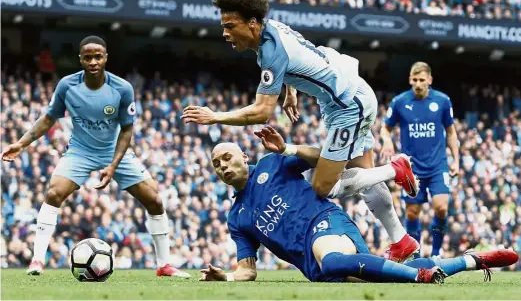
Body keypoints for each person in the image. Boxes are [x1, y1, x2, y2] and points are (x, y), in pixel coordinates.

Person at [181, 0, 419, 262]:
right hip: (346, 95)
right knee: (362, 174)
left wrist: (215, 116)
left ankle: (395, 168)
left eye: (230, 26)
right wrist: (290, 91)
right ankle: (401, 240)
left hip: (347, 104)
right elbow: (302, 53)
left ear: (253, 23)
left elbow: (260, 112)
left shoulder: (270, 51)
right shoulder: (273, 30)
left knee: (324, 187)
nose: (224, 33)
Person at [199, 127, 517, 283]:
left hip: (327, 225)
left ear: (243, 154)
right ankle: (471, 261)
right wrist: (226, 277)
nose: (223, 166)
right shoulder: (236, 218)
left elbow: (323, 159)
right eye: (216, 164)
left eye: (227, 157)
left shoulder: (273, 163)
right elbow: (247, 271)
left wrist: (287, 147)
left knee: (335, 260)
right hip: (314, 266)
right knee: (382, 277)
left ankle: (420, 277)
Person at [1, 36, 190, 278]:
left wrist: (113, 165)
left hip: (114, 151)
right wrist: (21, 143)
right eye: (87, 57)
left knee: (154, 199)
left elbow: (128, 129)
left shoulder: (122, 88)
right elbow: (49, 118)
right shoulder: (67, 86)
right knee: (53, 193)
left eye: (98, 56)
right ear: (80, 59)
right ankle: (37, 260)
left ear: (106, 58)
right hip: (80, 150)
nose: (93, 62)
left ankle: (164, 265)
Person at [381, 62, 459, 258]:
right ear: (409, 80)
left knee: (441, 207)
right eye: (414, 80)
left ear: (429, 80)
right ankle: (415, 255)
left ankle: (436, 252)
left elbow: (451, 132)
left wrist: (456, 160)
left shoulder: (442, 101)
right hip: (412, 168)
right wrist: (387, 141)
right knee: (412, 213)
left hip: (437, 165)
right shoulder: (400, 102)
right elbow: (385, 128)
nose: (418, 84)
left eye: (422, 80)